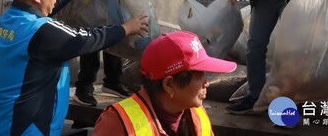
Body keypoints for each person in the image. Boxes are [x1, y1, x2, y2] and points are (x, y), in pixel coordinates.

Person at [0, 0, 148, 136]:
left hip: (1, 126)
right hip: (26, 130)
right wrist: (125, 28)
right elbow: (87, 38)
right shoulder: (39, 31)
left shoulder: (8, 19)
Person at [93, 31, 237, 136]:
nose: (207, 83)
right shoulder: (117, 123)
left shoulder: (197, 113)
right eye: (199, 75)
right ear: (169, 85)